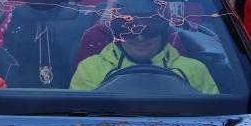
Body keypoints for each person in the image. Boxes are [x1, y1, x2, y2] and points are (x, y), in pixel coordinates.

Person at [70, 15, 218, 93]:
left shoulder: (195, 70)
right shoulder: (90, 69)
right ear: (118, 35)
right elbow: (80, 123)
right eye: (129, 31)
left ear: (163, 33)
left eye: (149, 30)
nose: (140, 38)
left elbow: (213, 120)